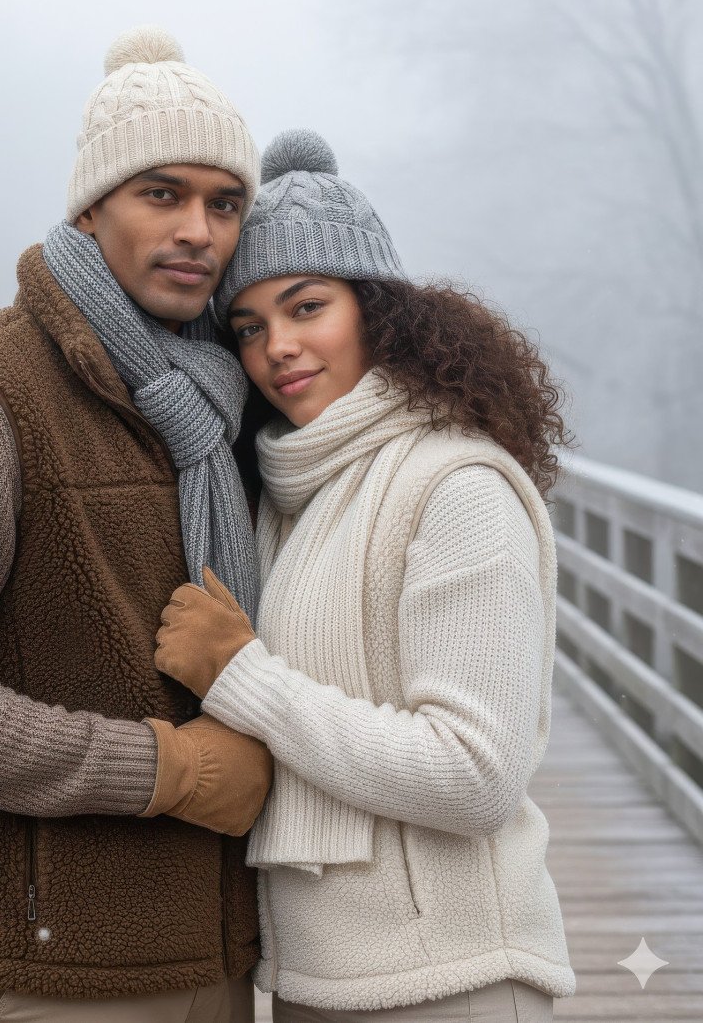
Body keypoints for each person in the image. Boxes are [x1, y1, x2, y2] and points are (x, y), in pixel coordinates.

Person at [0, 26, 273, 1023]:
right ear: (90, 207)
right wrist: (168, 768)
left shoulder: (215, 405)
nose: (199, 229)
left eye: (224, 202)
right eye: (161, 193)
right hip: (51, 969)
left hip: (221, 941)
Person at [154, 129, 578, 1022]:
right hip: (315, 978)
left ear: (378, 310)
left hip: (455, 979)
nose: (277, 347)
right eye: (249, 326)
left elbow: (476, 774)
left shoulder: (455, 484)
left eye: (307, 307)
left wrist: (242, 679)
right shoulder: (284, 490)